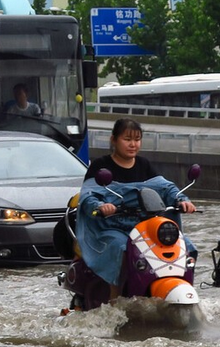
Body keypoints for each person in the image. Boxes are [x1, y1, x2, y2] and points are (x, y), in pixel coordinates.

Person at [76, 118, 196, 299]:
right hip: (113, 227)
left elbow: (165, 188)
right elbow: (88, 195)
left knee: (185, 245)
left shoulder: (144, 165)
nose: (133, 144)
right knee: (120, 248)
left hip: (146, 227)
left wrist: (182, 200)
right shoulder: (101, 166)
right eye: (127, 139)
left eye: (137, 139)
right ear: (114, 140)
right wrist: (101, 206)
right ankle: (115, 298)